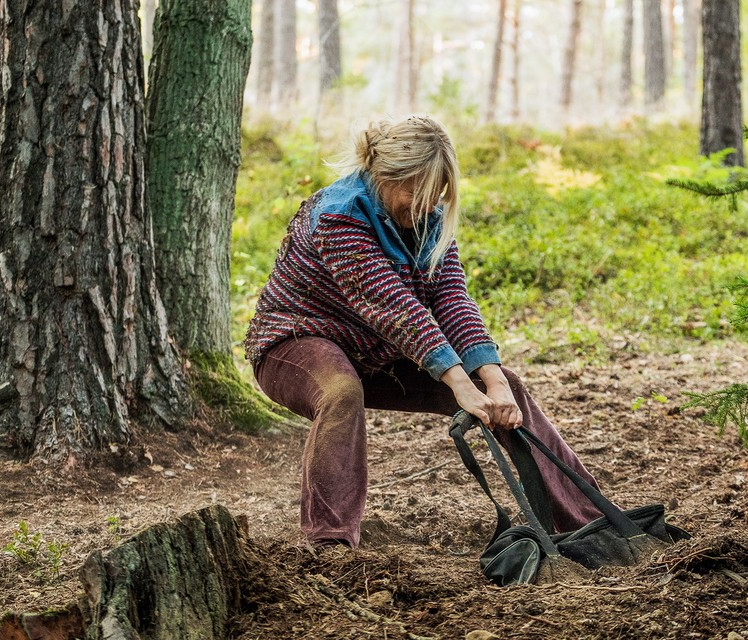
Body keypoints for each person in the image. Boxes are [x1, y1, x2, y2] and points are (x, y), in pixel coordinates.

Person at [244, 115, 603, 548]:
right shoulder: (337, 216)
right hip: (297, 343)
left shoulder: (428, 216)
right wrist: (456, 383)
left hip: (381, 353)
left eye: (436, 191)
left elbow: (451, 297)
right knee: (340, 392)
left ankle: (593, 520)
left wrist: (490, 380)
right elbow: (394, 307)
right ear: (383, 175)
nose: (427, 202)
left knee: (507, 386)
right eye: (415, 188)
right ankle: (330, 545)